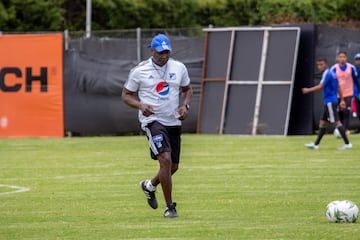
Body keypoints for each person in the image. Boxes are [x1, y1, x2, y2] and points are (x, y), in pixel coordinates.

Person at [121, 33, 193, 218]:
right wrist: (140, 105)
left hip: (173, 120)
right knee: (165, 160)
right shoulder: (140, 71)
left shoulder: (179, 68)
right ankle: (170, 207)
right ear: (152, 50)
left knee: (173, 167)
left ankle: (149, 185)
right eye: (160, 52)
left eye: (167, 52)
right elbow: (126, 95)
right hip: (152, 121)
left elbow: (187, 90)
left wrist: (185, 106)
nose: (163, 56)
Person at [302, 58, 352, 150]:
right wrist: (342, 100)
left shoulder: (327, 73)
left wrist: (308, 90)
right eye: (318, 65)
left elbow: (321, 86)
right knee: (322, 122)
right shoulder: (333, 73)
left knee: (336, 122)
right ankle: (316, 144)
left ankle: (347, 143)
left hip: (330, 102)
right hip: (330, 101)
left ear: (326, 64)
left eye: (321, 64)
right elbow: (339, 87)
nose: (319, 66)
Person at [330, 51, 358, 134]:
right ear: (337, 58)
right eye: (340, 57)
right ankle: (340, 128)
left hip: (348, 93)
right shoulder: (334, 68)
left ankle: (344, 130)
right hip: (337, 94)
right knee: (339, 112)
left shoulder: (351, 68)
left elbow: (355, 80)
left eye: (344, 57)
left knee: (346, 111)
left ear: (346, 58)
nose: (342, 58)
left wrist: (358, 91)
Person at [353, 53, 360, 123]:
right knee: (358, 110)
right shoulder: (353, 69)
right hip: (355, 93)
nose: (358, 61)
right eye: (357, 60)